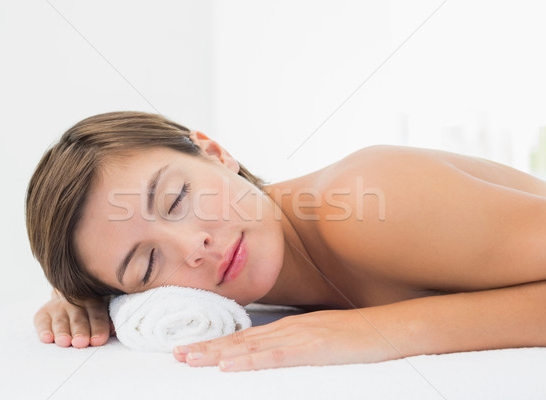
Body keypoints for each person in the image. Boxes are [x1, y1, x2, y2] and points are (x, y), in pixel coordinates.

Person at [27, 111, 546, 372]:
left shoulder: (368, 201)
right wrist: (78, 297)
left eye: (178, 196)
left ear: (215, 153)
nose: (194, 246)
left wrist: (379, 332)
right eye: (147, 265)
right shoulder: (242, 279)